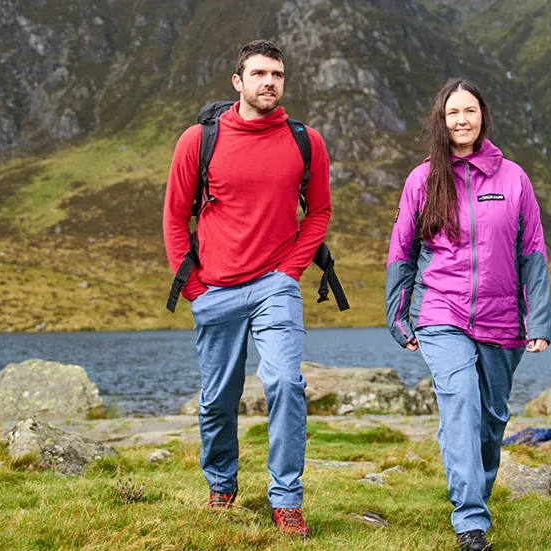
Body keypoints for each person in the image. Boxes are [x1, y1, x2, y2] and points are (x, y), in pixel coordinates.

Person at [162, 39, 331, 539]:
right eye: (258, 74)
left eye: (277, 74)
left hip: (275, 285)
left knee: (284, 383)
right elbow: (175, 214)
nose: (269, 83)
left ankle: (286, 499)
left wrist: (290, 272)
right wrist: (193, 286)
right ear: (238, 81)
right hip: (215, 287)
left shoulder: (306, 142)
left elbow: (318, 212)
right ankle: (221, 484)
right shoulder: (199, 139)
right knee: (218, 398)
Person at [385, 78, 551, 551]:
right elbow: (402, 251)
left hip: (504, 320)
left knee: (490, 421)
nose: (461, 120)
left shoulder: (514, 178)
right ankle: (470, 523)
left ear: (483, 117)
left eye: (470, 111)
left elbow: (533, 252)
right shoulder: (423, 179)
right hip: (442, 310)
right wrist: (399, 318)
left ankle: (475, 495)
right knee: (459, 402)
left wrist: (538, 320)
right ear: (441, 120)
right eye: (452, 112)